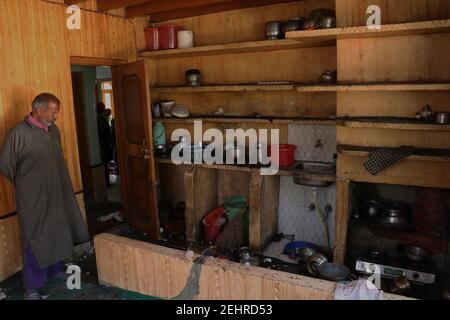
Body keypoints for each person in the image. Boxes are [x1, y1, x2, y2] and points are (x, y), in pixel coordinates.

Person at [0, 93, 89, 300]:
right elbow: (5, 165)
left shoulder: (53, 131)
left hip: (55, 192)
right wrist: (27, 183)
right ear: (39, 110)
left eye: (57, 111)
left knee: (56, 229)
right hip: (32, 198)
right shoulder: (19, 134)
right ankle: (32, 288)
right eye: (53, 111)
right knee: (35, 238)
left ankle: (54, 270)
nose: (56, 116)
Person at [96, 102, 113, 186]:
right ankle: (105, 183)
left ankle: (106, 182)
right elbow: (103, 131)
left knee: (106, 165)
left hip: (105, 144)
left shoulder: (101, 118)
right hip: (103, 144)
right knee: (104, 165)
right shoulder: (99, 119)